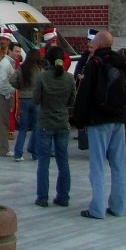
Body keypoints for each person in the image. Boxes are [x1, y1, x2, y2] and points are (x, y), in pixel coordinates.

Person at [71, 30, 126, 219]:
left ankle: (97, 209)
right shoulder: (122, 63)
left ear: (98, 45)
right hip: (118, 120)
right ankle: (119, 206)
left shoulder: (94, 64)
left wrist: (78, 120)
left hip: (98, 121)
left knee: (97, 166)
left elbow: (84, 94)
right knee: (119, 165)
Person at [32, 45, 76, 207]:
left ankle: (42, 197)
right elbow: (72, 101)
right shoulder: (69, 78)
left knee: (43, 162)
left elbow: (36, 100)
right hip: (62, 122)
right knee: (63, 161)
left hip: (45, 122)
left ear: (48, 60)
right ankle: (63, 196)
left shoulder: (43, 77)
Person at [10, 46, 44, 161]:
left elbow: (12, 79)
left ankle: (18, 154)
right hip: (36, 100)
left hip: (24, 99)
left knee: (23, 129)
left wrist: (20, 87)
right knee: (36, 127)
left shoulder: (22, 67)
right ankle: (35, 153)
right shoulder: (40, 69)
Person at [0, 42, 22, 157]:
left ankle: (3, 149)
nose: (18, 54)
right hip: (2, 96)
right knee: (3, 124)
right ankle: (3, 150)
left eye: (19, 51)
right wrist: (8, 94)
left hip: (4, 95)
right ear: (9, 51)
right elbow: (1, 82)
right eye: (16, 51)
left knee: (4, 123)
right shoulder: (5, 64)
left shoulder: (10, 63)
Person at [0, 27, 17, 140]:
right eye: (1, 39)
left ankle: (10, 131)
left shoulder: (13, 54)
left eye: (4, 39)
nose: (2, 41)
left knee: (9, 108)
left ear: (9, 41)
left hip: (10, 85)